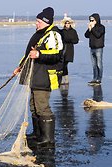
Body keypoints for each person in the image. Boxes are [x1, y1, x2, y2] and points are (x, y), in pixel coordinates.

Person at [13, 7, 63, 147]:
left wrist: (40, 54)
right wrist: (21, 67)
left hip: (44, 76)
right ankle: (37, 134)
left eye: (38, 21)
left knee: (42, 106)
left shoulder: (53, 34)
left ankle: (48, 138)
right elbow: (29, 53)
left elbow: (57, 55)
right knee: (33, 106)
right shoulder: (39, 34)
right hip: (34, 75)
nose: (36, 23)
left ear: (46, 21)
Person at [84, 13, 105, 85]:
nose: (91, 21)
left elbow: (98, 35)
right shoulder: (91, 27)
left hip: (98, 48)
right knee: (94, 64)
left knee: (99, 64)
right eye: (90, 20)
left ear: (96, 20)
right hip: (92, 47)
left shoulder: (101, 27)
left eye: (92, 20)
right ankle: (94, 78)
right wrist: (89, 29)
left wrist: (92, 28)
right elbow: (86, 35)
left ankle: (99, 79)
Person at [60, 14, 79, 85]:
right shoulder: (61, 31)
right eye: (66, 23)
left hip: (69, 50)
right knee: (62, 64)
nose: (67, 24)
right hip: (62, 49)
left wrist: (69, 40)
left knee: (65, 64)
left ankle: (65, 79)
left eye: (68, 23)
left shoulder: (73, 31)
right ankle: (63, 79)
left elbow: (76, 40)